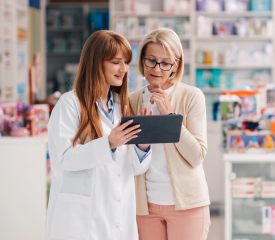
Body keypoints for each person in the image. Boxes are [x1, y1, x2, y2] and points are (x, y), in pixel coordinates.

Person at [46, 30, 153, 240]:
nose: (123, 69)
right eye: (116, 62)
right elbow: (65, 158)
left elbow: (131, 167)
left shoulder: (122, 107)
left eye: (126, 62)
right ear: (96, 63)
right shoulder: (69, 104)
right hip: (82, 217)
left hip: (117, 213)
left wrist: (142, 146)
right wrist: (109, 143)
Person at [129, 28, 210, 240]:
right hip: (144, 207)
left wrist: (169, 115)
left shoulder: (192, 96)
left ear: (176, 65)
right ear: (142, 61)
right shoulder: (131, 100)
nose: (157, 69)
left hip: (187, 205)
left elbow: (197, 156)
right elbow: (127, 157)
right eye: (151, 60)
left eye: (166, 63)